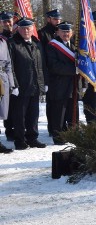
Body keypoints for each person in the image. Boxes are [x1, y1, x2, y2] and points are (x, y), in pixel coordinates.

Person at [8, 18, 48, 150]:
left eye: (29, 28)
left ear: (32, 29)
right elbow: (11, 67)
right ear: (18, 29)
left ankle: (32, 138)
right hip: (20, 86)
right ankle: (19, 140)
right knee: (20, 116)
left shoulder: (37, 44)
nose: (26, 31)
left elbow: (41, 65)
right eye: (23, 28)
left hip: (35, 85)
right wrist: (14, 85)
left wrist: (43, 83)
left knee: (33, 114)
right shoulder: (13, 44)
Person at [45, 22, 78, 144]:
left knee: (71, 111)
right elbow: (54, 66)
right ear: (58, 32)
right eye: (63, 31)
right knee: (59, 112)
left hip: (72, 85)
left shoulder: (75, 46)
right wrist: (73, 69)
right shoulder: (52, 46)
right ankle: (58, 137)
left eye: (68, 31)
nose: (66, 34)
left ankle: (72, 135)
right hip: (58, 85)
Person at [0, 24, 15, 153]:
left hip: (2, 79)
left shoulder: (3, 42)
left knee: (2, 111)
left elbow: (8, 63)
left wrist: (11, 83)